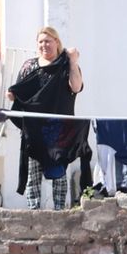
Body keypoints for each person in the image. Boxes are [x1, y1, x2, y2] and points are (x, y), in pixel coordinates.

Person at [6, 27, 87, 210]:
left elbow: (76, 87)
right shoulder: (29, 66)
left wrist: (73, 62)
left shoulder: (66, 65)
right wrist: (12, 95)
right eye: (41, 41)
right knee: (33, 176)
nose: (44, 45)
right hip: (34, 130)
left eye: (48, 41)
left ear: (57, 42)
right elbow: (19, 92)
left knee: (59, 176)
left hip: (59, 132)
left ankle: (60, 213)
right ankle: (34, 213)